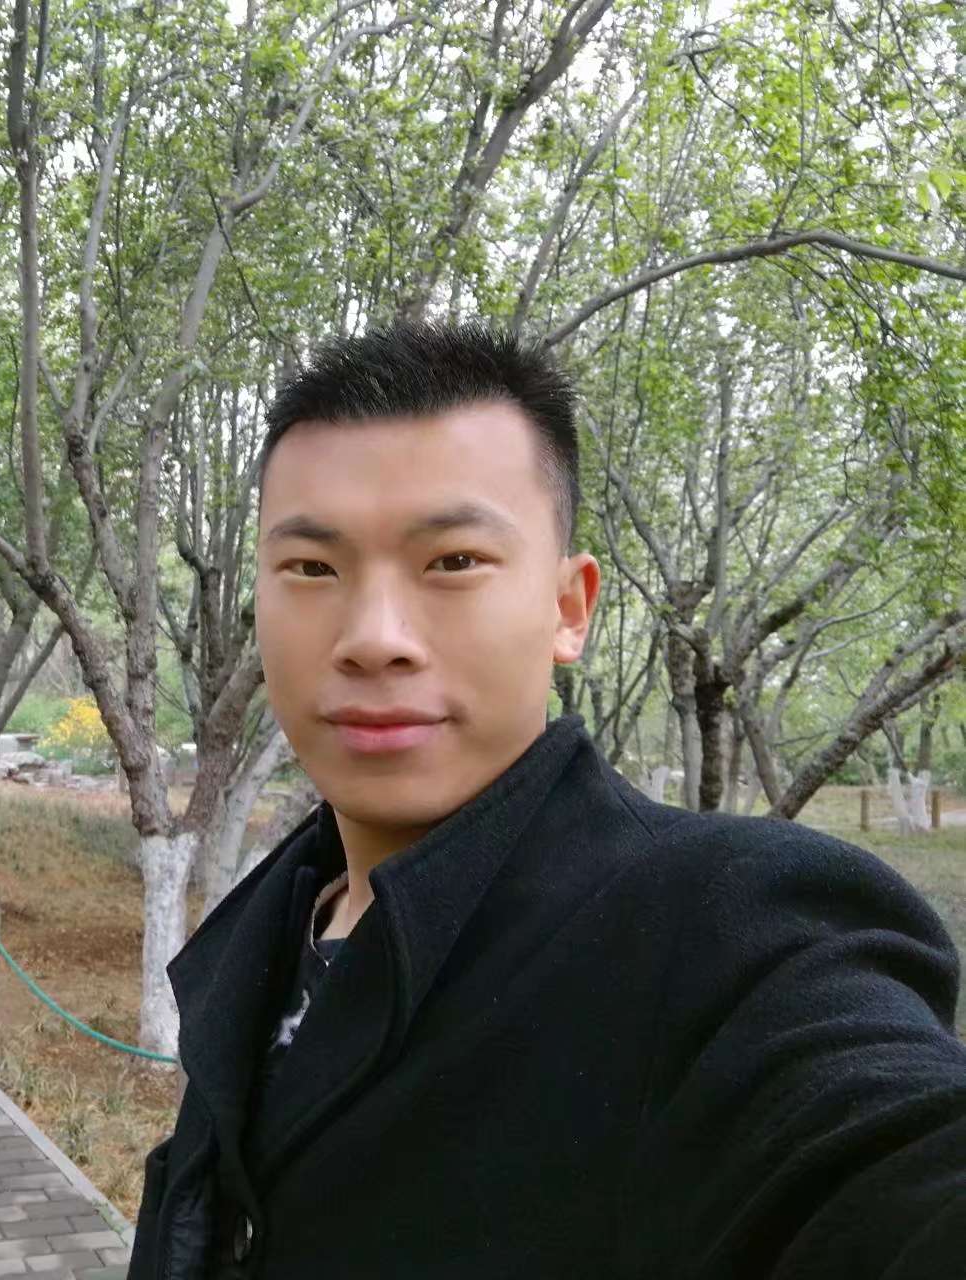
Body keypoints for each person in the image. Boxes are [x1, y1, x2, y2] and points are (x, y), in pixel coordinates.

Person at [127, 322, 966, 1279]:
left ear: (570, 608)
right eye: (313, 569)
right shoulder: (266, 929)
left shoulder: (723, 931)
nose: (373, 638)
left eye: (453, 561)